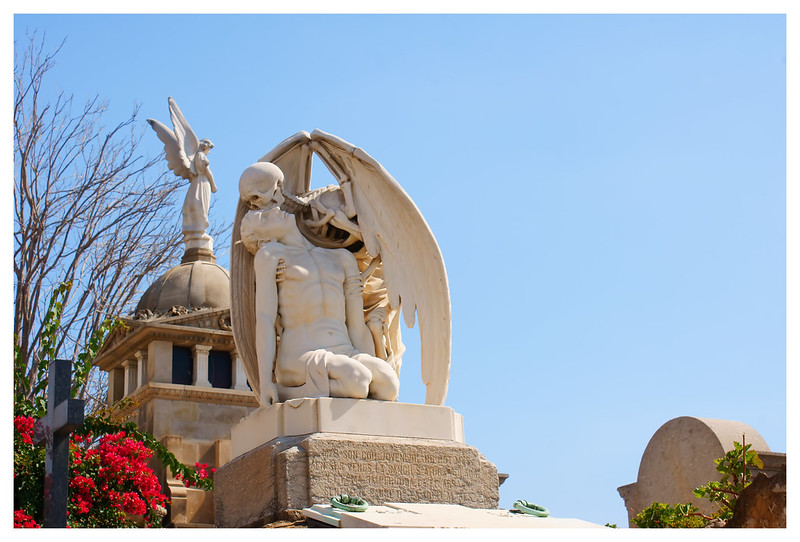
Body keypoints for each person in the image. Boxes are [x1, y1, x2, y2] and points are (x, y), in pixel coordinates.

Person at [239, 200, 400, 406]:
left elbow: (356, 326)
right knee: (357, 380)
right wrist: (265, 383)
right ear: (264, 240)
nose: (271, 212)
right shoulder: (271, 256)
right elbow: (264, 320)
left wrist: (370, 361)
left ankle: (349, 382)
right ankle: (285, 392)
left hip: (345, 351)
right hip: (301, 354)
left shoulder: (342, 257)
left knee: (389, 385)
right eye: (261, 218)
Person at [182, 138, 216, 236]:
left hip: (197, 182)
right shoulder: (201, 156)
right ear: (206, 147)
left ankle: (195, 225)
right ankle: (200, 225)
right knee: (201, 203)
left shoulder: (196, 157)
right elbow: (208, 172)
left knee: (196, 202)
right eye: (209, 150)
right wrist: (213, 185)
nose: (209, 152)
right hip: (203, 181)